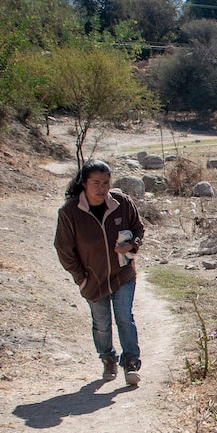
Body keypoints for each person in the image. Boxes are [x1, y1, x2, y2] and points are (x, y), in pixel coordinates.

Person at [54, 160, 146, 385]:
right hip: (93, 280)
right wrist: (81, 278)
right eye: (95, 183)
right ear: (84, 183)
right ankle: (107, 358)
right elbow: (64, 249)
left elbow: (138, 229)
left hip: (123, 274)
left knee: (124, 317)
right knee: (101, 323)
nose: (102, 188)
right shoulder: (70, 213)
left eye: (106, 183)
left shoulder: (122, 203)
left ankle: (131, 362)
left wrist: (132, 244)